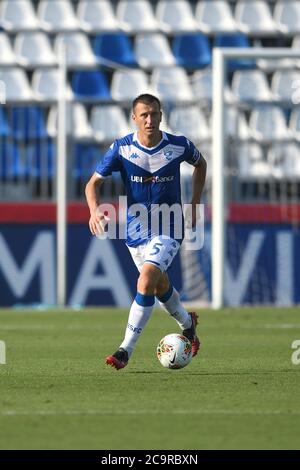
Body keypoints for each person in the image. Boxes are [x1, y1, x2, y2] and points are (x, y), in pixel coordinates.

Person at [85, 94, 207, 370]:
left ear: (161, 115)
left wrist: (195, 203)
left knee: (146, 280)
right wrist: (94, 211)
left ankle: (124, 350)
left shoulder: (178, 146)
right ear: (134, 118)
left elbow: (201, 164)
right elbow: (92, 184)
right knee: (160, 285)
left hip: (169, 226)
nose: (150, 120)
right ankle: (188, 326)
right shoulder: (122, 149)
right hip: (136, 231)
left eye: (154, 114)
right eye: (144, 115)